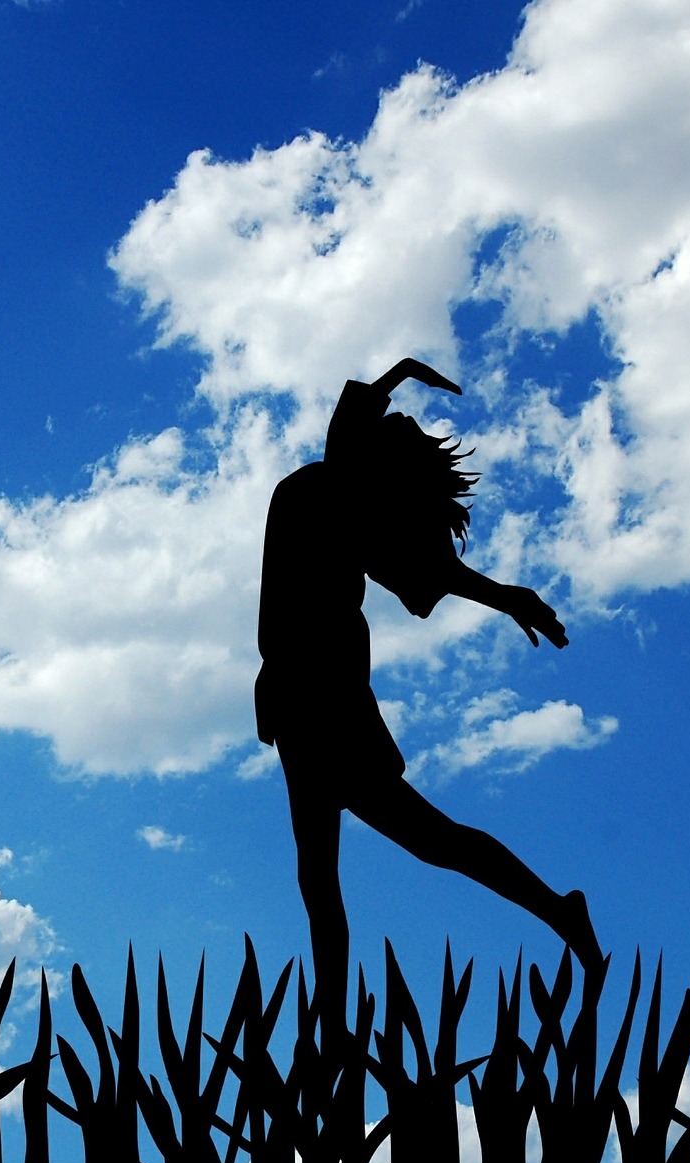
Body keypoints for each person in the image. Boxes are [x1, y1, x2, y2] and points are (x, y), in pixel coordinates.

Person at [256, 358, 602, 1024]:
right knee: (323, 869)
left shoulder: (341, 502)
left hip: (324, 698)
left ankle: (559, 911)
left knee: (413, 846)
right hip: (296, 697)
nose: (398, 421)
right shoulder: (328, 490)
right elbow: (358, 417)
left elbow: (428, 573)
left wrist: (505, 596)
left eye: (401, 429)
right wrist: (398, 374)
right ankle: (331, 1020)